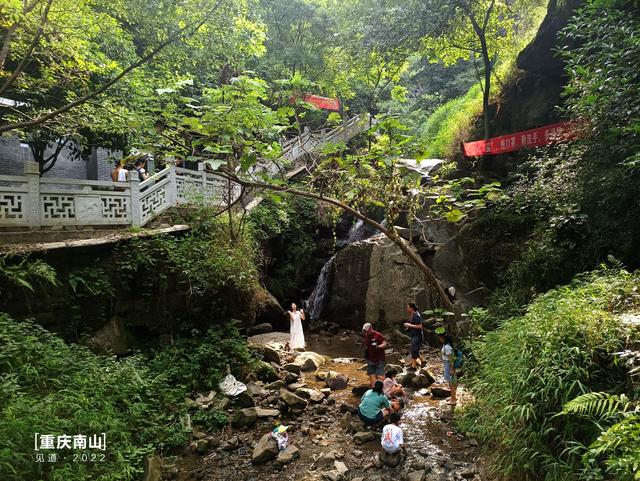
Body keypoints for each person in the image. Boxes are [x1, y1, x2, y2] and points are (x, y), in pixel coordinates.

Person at [438, 332, 458, 405]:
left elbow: (451, 359)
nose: (439, 339)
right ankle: (453, 397)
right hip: (448, 364)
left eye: (440, 337)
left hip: (449, 365)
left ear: (443, 338)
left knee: (452, 382)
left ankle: (453, 400)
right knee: (452, 381)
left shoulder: (447, 347)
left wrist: (452, 369)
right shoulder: (448, 345)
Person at [403, 303, 424, 370]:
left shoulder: (417, 315)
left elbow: (420, 326)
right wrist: (408, 327)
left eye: (408, 307)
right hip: (414, 335)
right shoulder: (413, 314)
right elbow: (413, 325)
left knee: (413, 349)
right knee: (414, 350)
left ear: (411, 308)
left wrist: (409, 325)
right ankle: (423, 361)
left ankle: (413, 366)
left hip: (417, 336)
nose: (407, 309)